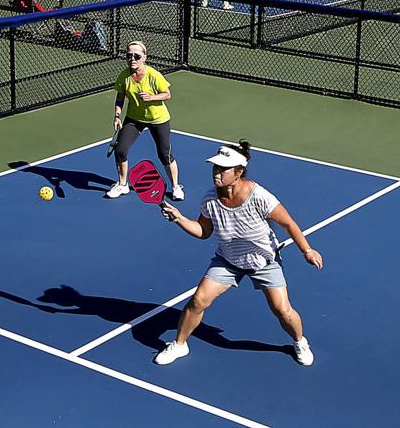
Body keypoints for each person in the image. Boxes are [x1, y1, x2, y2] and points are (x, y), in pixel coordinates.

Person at [155, 140, 323, 367]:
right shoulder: (210, 198)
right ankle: (180, 344)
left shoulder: (259, 196)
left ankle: (299, 341)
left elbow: (289, 224)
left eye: (223, 169)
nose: (217, 172)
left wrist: (307, 250)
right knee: (198, 301)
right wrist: (180, 219)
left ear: (238, 172)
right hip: (228, 260)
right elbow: (204, 231)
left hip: (263, 261)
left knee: (282, 311)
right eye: (215, 167)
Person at [109, 41, 183, 201]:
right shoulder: (124, 77)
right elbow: (120, 98)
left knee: (164, 154)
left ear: (144, 57)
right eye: (129, 56)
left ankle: (176, 186)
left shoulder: (153, 75)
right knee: (120, 150)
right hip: (134, 119)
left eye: (137, 56)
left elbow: (167, 94)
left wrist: (152, 98)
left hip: (158, 119)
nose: (132, 59)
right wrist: (117, 116)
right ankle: (122, 185)